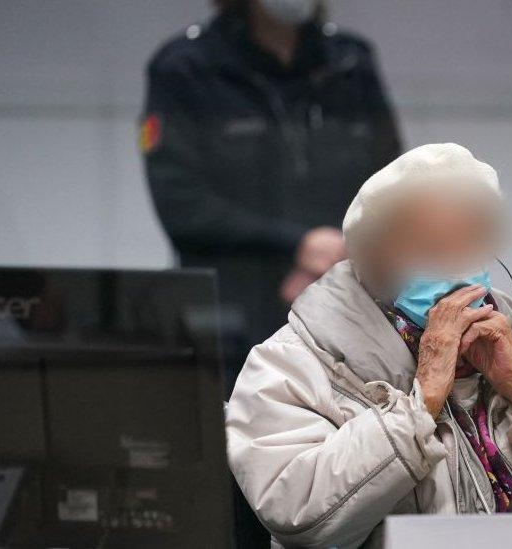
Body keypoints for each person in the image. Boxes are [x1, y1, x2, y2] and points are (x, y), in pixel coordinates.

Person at [226, 143, 512, 548]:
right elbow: (300, 518)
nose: (455, 268)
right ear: (368, 256)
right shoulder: (291, 362)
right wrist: (419, 407)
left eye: (470, 245)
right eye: (428, 250)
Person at [140, 0, 401, 391]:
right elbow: (182, 205)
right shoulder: (185, 67)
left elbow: (394, 186)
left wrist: (331, 259)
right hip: (230, 328)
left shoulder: (350, 62)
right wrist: (295, 246)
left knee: (355, 447)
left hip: (346, 312)